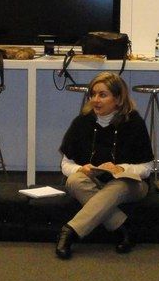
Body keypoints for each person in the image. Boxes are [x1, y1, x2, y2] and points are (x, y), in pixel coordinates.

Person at [55, 72, 153, 259]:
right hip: (95, 181)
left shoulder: (133, 122)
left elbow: (147, 167)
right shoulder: (82, 122)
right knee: (75, 181)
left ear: (117, 98)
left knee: (118, 185)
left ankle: (70, 231)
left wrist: (122, 169)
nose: (95, 100)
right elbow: (66, 165)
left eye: (103, 95)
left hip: (131, 184)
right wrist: (80, 169)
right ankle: (122, 228)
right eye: (93, 94)